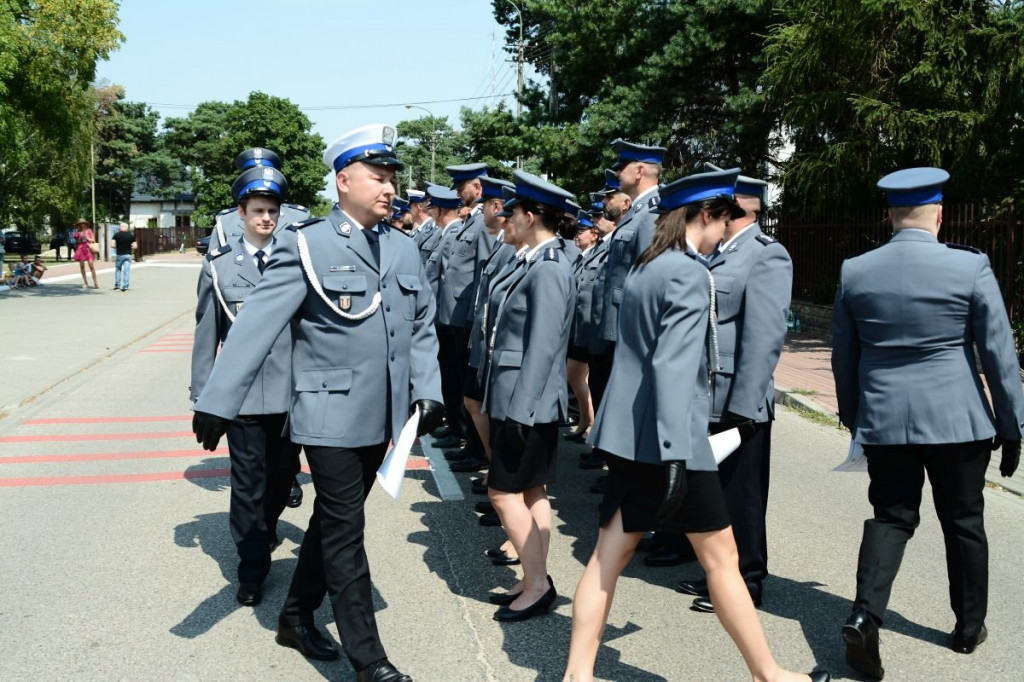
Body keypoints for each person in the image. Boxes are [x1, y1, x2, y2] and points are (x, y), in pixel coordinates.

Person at [191, 124, 443, 682]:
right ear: (343, 180)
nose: (388, 187)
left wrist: (428, 391)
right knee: (347, 532)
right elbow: (256, 321)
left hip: (383, 418)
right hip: (327, 415)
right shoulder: (305, 242)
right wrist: (218, 398)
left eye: (392, 177)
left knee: (332, 522)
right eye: (378, 176)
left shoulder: (401, 245)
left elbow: (420, 325)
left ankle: (295, 616)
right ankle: (370, 660)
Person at [563, 169, 828, 682]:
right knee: (724, 560)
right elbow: (673, 369)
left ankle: (578, 672)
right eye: (723, 220)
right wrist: (677, 458)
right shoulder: (688, 273)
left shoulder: (647, 265)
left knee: (606, 558)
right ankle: (768, 673)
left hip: (629, 437)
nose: (724, 232)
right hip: (673, 441)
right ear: (705, 214)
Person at [831, 167, 1024, 680]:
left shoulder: (855, 270)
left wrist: (856, 419)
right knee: (963, 521)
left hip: (886, 420)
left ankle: (863, 613)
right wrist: (1012, 426)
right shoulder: (970, 268)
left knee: (891, 517)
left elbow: (843, 358)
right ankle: (967, 629)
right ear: (938, 215)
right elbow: (999, 356)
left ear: (889, 215)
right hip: (958, 422)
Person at [190, 164, 302, 609]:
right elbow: (206, 335)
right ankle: (252, 567)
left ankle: (267, 528)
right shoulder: (219, 268)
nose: (266, 219)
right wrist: (204, 397)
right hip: (244, 397)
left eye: (273, 211)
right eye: (258, 210)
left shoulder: (297, 259)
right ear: (241, 213)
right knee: (247, 482)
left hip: (291, 394)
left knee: (281, 478)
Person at [681, 164, 793, 613]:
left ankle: (747, 582)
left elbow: (765, 338)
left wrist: (744, 406)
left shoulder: (766, 254)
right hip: (704, 393)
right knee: (712, 492)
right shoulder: (715, 252)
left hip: (736, 397)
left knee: (741, 498)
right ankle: (718, 576)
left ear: (742, 206)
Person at [481, 170, 575, 622]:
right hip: (515, 396)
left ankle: (537, 585)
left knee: (502, 492)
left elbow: (543, 346)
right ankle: (534, 577)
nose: (505, 218)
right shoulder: (530, 261)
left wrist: (521, 411)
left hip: (527, 402)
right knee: (531, 491)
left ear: (532, 216)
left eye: (512, 211)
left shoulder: (551, 267)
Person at [449, 175, 515, 475]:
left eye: (484, 205)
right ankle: (489, 461)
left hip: (493, 341)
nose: (480, 210)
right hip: (479, 331)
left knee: (482, 404)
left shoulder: (507, 248)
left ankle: (493, 466)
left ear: (496, 207)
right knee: (474, 399)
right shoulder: (499, 243)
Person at [72, 218, 99, 289]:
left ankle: (95, 282)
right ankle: (85, 282)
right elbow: (76, 242)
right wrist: (79, 239)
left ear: (85, 224)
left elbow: (93, 240)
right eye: (80, 224)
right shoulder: (78, 232)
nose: (82, 225)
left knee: (91, 266)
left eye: (83, 223)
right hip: (81, 248)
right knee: (82, 266)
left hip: (88, 248)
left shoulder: (89, 230)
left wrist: (89, 239)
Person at [110, 224, 136, 292]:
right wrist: (130, 247)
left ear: (120, 228)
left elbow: (112, 245)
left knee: (118, 269)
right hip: (128, 255)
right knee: (126, 271)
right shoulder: (131, 235)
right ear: (127, 228)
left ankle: (117, 286)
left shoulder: (116, 235)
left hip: (119, 254)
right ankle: (125, 286)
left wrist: (117, 247)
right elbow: (135, 246)